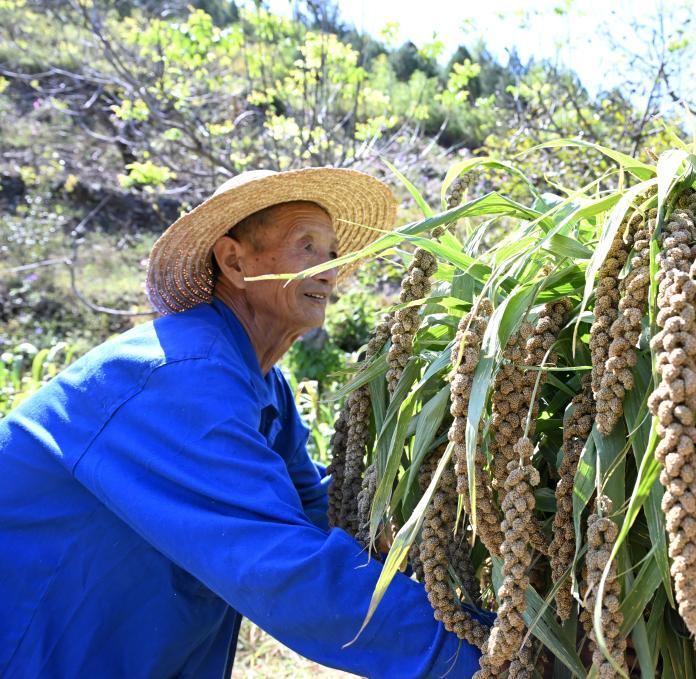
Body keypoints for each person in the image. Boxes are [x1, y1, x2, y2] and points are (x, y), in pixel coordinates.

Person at [0, 168, 482, 678]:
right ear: (234, 261)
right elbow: (280, 566)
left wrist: (428, 509)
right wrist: (488, 658)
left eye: (332, 252)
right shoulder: (182, 376)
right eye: (306, 246)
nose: (329, 271)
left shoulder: (260, 382)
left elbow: (318, 511)